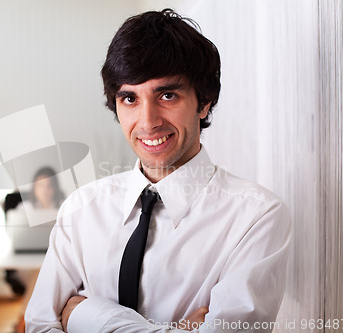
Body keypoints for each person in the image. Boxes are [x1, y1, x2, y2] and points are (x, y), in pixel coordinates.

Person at [25, 9, 291, 333]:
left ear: (204, 101)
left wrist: (85, 316)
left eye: (167, 95)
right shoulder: (81, 211)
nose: (148, 121)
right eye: (130, 98)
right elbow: (39, 325)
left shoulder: (257, 217)